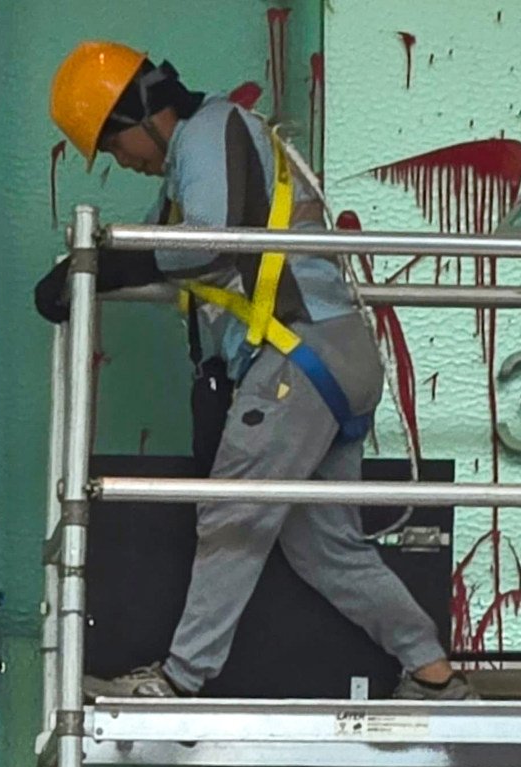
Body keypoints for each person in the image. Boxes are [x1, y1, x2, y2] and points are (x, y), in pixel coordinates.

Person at [37, 41, 470, 701]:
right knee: (329, 552)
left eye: (116, 144)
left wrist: (108, 266)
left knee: (231, 515)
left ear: (143, 113)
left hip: (299, 357)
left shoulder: (209, 133)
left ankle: (180, 681)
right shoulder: (198, 161)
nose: (122, 161)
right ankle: (434, 673)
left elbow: (207, 243)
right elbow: (162, 252)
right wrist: (88, 270)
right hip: (334, 354)